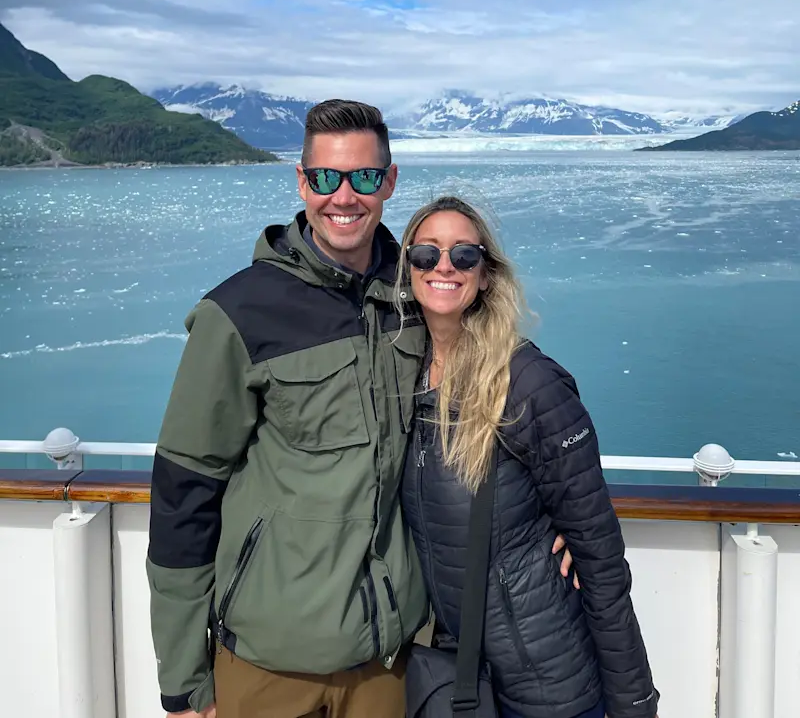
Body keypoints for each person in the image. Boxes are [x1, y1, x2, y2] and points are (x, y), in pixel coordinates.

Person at [147, 99, 576, 718]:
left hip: (389, 661)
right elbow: (184, 489)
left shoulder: (419, 292)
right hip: (269, 661)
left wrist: (555, 512)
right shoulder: (240, 315)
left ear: (389, 181)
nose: (343, 196)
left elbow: (512, 378)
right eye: (325, 178)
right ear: (302, 181)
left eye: (364, 177)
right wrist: (183, 678)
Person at [397, 195, 660, 718]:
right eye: (426, 254)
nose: (443, 266)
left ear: (487, 274)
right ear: (408, 269)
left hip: (550, 685)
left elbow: (600, 559)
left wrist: (634, 702)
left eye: (463, 255)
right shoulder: (404, 377)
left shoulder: (527, 385)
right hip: (466, 675)